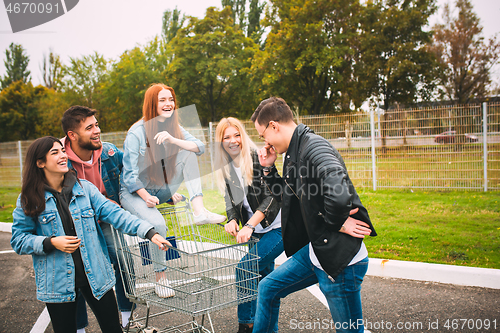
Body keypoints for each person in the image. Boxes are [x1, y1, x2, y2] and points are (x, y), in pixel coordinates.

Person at [10, 136, 172, 333]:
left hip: (96, 276)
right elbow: (19, 239)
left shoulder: (85, 189)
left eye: (62, 151)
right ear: (40, 162)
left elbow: (116, 214)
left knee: (113, 329)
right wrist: (50, 242)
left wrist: (149, 232)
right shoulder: (29, 199)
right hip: (57, 283)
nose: (63, 155)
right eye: (55, 153)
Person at [251, 97, 377, 333]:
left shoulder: (314, 148)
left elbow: (339, 197)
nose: (264, 142)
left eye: (262, 135)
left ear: (274, 126)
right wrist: (268, 169)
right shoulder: (294, 152)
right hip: (317, 251)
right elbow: (289, 195)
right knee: (268, 288)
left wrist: (336, 221)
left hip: (340, 262)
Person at [120, 83, 226, 296]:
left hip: (161, 188)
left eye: (171, 100)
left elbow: (200, 147)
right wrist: (145, 196)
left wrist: (173, 139)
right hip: (135, 192)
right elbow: (129, 176)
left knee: (188, 151)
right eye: (162, 100)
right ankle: (161, 279)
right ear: (152, 103)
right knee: (157, 223)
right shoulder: (136, 133)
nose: (169, 104)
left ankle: (199, 211)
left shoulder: (174, 127)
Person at [60, 105, 140, 332]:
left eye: (96, 124)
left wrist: (164, 193)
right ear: (72, 136)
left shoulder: (109, 152)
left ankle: (126, 318)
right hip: (76, 222)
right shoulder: (59, 158)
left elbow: (135, 175)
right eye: (90, 127)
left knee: (122, 262)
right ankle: (79, 327)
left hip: (106, 218)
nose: (97, 130)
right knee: (75, 272)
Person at [214, 117, 284, 333]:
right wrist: (233, 219)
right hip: (255, 232)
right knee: (265, 281)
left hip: (278, 228)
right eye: (227, 137)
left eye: (237, 135)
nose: (233, 141)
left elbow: (274, 195)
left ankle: (246, 325)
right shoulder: (226, 166)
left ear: (243, 136)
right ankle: (269, 329)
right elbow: (231, 199)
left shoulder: (256, 158)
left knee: (245, 268)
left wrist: (250, 225)